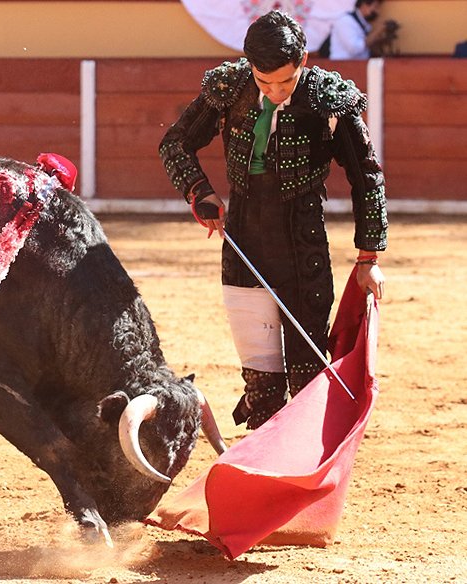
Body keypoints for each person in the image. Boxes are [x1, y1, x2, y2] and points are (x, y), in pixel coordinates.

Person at [159, 10, 387, 430]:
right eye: (265, 82)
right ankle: (262, 465)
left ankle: (303, 466)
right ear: (250, 65)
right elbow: (175, 143)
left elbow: (367, 176)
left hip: (303, 248)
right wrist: (200, 191)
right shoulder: (230, 88)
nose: (276, 92)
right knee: (262, 389)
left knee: (307, 378)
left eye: (286, 81)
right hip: (243, 245)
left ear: (303, 61)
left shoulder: (327, 98)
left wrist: (368, 257)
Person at [328, 0, 397, 59]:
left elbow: (366, 47)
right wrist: (377, 31)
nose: (377, 12)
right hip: (342, 65)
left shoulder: (365, 24)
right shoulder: (346, 21)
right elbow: (355, 48)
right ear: (364, 5)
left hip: (358, 65)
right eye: (376, 7)